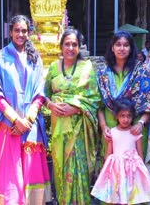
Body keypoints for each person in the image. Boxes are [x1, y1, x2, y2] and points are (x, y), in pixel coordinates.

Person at [0, 15, 51, 204]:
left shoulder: (35, 58)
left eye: (24, 30)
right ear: (10, 32)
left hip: (30, 127)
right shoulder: (1, 57)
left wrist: (28, 120)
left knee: (31, 172)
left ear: (29, 32)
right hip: (9, 126)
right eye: (17, 30)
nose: (20, 34)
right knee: (10, 173)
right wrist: (17, 120)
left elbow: (40, 92)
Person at [97, 31, 150, 183]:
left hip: (135, 130)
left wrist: (141, 123)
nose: (122, 48)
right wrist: (103, 127)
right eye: (118, 45)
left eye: (126, 45)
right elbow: (99, 106)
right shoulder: (102, 73)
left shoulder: (141, 72)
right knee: (111, 175)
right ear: (112, 48)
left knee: (135, 175)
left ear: (131, 48)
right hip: (110, 131)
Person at [44, 29, 101, 204]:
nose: (70, 48)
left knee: (79, 171)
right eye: (67, 44)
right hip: (59, 128)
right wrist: (51, 105)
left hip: (80, 130)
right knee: (61, 171)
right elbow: (43, 95)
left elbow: (95, 98)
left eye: (74, 44)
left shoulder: (87, 68)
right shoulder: (53, 67)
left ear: (79, 47)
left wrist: (75, 109)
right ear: (61, 46)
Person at [91, 98, 150, 204]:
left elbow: (140, 155)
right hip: (116, 170)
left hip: (132, 170)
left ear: (133, 117)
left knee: (130, 195)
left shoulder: (136, 133)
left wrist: (143, 173)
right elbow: (108, 154)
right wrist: (105, 170)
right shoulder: (112, 132)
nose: (125, 119)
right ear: (116, 116)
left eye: (129, 116)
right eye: (122, 116)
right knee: (115, 194)